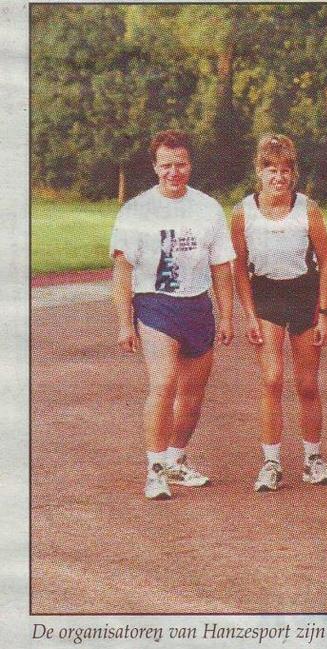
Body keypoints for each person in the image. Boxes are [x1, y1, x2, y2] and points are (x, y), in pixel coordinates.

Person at [110, 129, 234, 500]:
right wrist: (123, 322)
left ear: (190, 165)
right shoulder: (136, 210)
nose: (173, 172)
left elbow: (222, 267)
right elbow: (122, 270)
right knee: (163, 385)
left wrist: (227, 316)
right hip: (155, 304)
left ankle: (176, 459)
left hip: (197, 305)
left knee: (192, 400)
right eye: (166, 166)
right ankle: (155, 469)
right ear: (155, 167)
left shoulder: (208, 207)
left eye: (180, 165)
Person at [230, 134, 327, 492]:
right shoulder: (243, 211)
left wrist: (324, 313)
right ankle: (271, 462)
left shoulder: (309, 209)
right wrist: (248, 314)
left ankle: (313, 458)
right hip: (266, 297)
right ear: (259, 172)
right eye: (271, 170)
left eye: (286, 170)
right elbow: (239, 267)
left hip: (304, 294)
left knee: (307, 384)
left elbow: (326, 261)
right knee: (272, 379)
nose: (279, 177)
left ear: (295, 173)